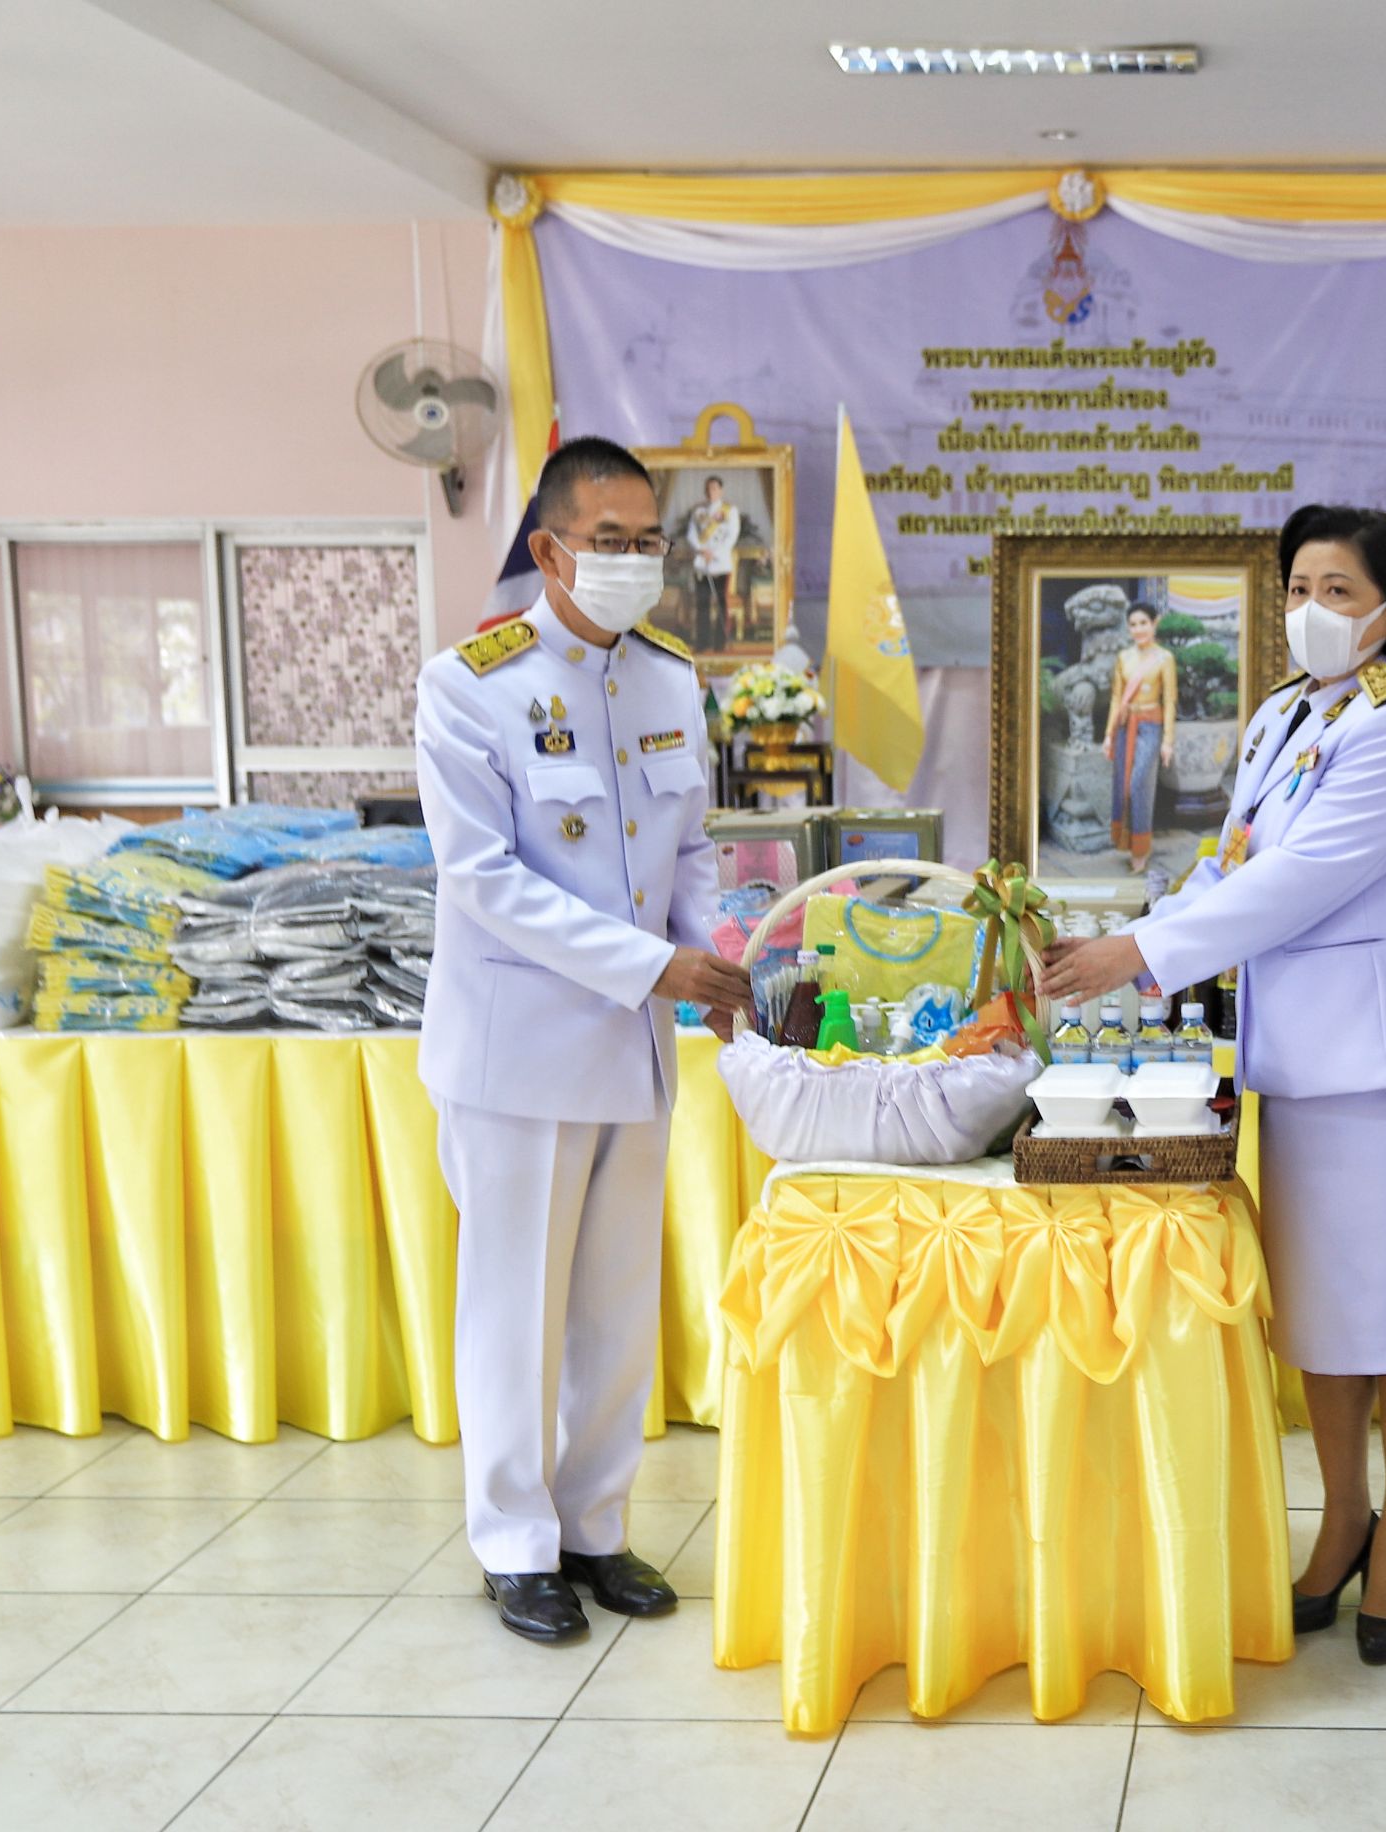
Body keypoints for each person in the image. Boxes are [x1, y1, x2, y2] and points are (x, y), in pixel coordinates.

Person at [1041, 503, 1386, 1667]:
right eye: (1296, 587)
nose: (1309, 610)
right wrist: (1130, 930)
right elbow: (1229, 863)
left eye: (1338, 592)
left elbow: (1300, 879)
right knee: (1325, 1310)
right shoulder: (1284, 714)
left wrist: (1137, 953)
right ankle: (1342, 1518)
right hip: (1300, 1056)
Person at [415, 436, 752, 1644]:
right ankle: (514, 1542)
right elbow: (482, 877)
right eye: (610, 541)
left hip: (633, 1051)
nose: (634, 560)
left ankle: (594, 1526)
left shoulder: (667, 679)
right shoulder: (469, 685)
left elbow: (691, 848)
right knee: (513, 1308)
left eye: (648, 539)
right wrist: (656, 966)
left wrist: (723, 950)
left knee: (614, 1307)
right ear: (552, 550)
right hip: (517, 1052)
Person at [1103, 602, 1179, 873]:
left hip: (1150, 725)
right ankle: (1127, 842)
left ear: (1154, 623)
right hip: (1125, 725)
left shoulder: (1164, 658)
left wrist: (1167, 741)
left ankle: (1141, 849)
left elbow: (1169, 701)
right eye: (1133, 625)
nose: (1138, 630)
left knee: (1139, 785)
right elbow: (1116, 698)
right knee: (1122, 786)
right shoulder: (1124, 657)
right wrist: (1109, 734)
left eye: (1143, 623)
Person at [685, 474, 741, 655]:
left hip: (721, 564)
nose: (711, 492)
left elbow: (732, 536)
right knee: (702, 604)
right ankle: (702, 643)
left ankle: (720, 643)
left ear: (721, 490)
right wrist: (702, 550)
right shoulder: (698, 512)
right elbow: (691, 534)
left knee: (721, 604)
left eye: (715, 488)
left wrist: (714, 553)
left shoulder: (730, 511)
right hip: (702, 564)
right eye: (708, 489)